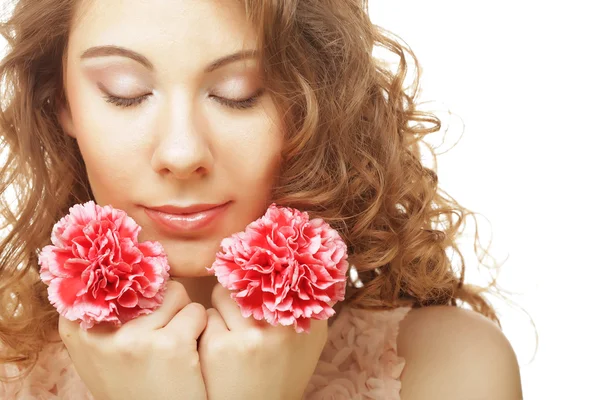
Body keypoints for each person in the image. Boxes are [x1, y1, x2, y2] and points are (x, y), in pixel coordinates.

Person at [0, 0, 522, 398]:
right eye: (126, 90)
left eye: (239, 92)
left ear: (313, 101)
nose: (182, 153)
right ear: (59, 99)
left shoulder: (447, 366)